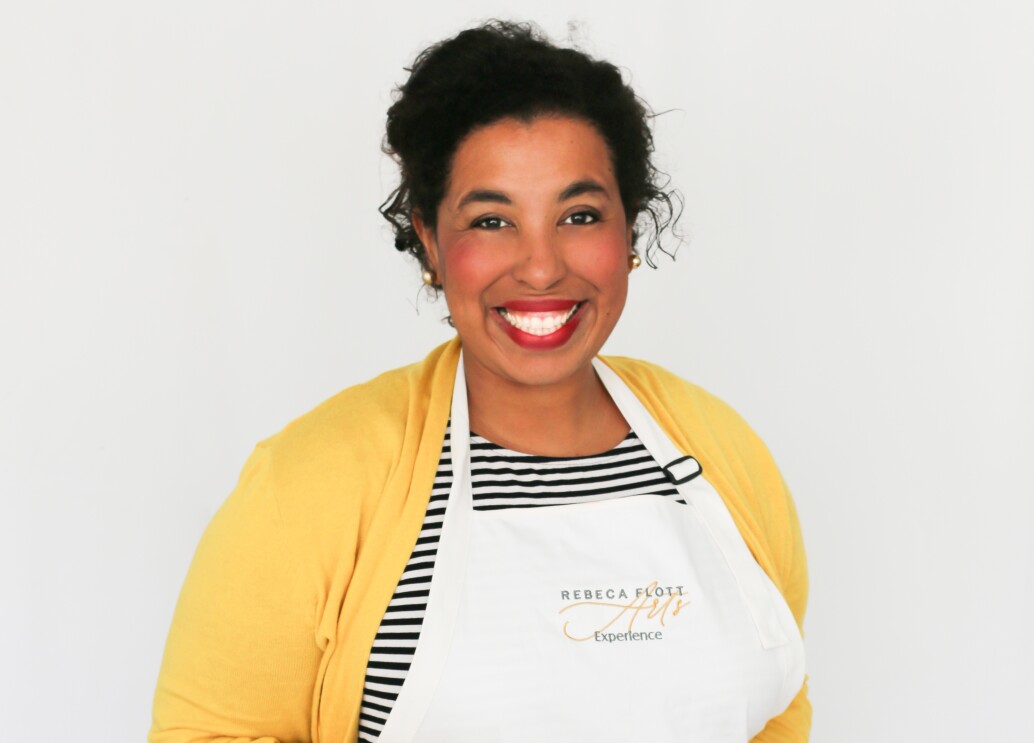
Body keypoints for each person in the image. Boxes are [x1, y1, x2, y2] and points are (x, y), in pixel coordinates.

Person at [149, 20, 810, 743]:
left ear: (630, 234)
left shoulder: (721, 451)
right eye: (492, 220)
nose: (539, 266)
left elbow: (776, 711)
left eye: (580, 215)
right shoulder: (311, 481)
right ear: (430, 241)